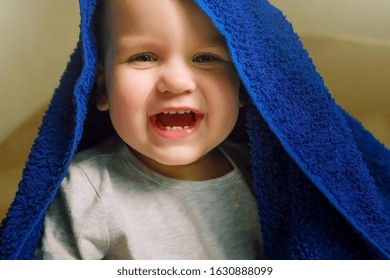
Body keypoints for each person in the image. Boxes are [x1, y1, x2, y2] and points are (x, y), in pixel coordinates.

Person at [1, 0, 389, 260]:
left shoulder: (264, 179)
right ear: (101, 88)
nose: (175, 82)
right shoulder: (86, 190)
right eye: (144, 56)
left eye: (206, 58)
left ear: (247, 87)